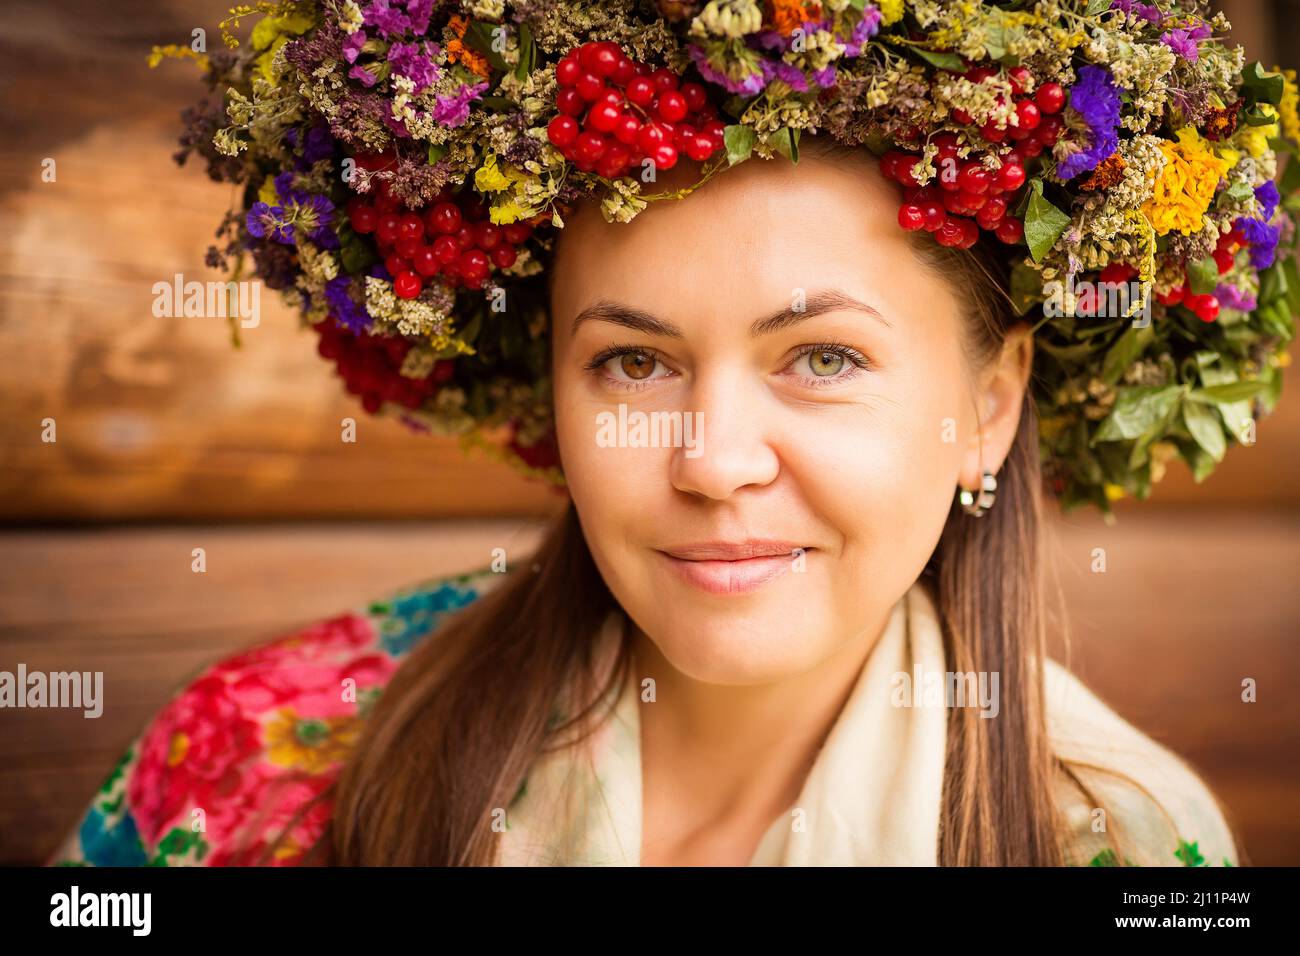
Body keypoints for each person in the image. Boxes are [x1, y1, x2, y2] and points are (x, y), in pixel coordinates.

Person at [50, 0, 1291, 867]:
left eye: (821, 357)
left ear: (990, 403)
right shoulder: (258, 763)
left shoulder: (1114, 843)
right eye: (633, 361)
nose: (710, 460)